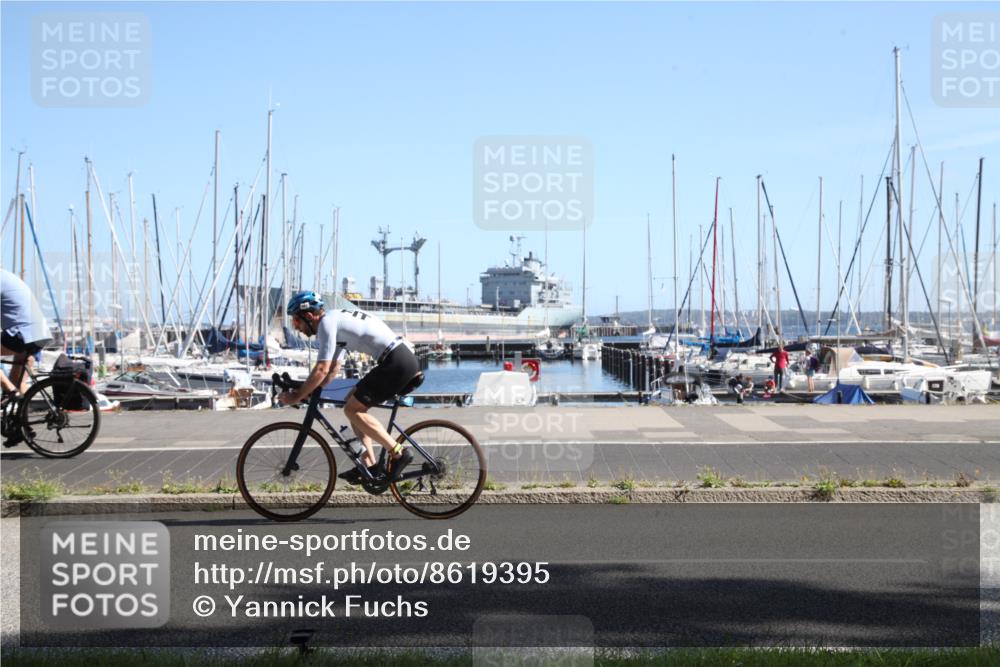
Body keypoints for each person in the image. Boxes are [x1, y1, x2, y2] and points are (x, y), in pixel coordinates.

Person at [278, 291, 420, 483]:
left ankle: (398, 452)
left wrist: (296, 396)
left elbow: (321, 368)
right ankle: (369, 465)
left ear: (309, 316)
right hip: (398, 359)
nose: (296, 327)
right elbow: (331, 371)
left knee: (353, 409)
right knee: (352, 401)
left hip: (395, 362)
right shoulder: (335, 322)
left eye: (296, 321)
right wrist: (306, 391)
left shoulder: (326, 324)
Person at [2, 269, 51, 396]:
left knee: (11, 389)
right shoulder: (8, 277)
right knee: (18, 383)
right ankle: (23, 411)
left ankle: (10, 390)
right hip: (40, 334)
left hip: (23, 334)